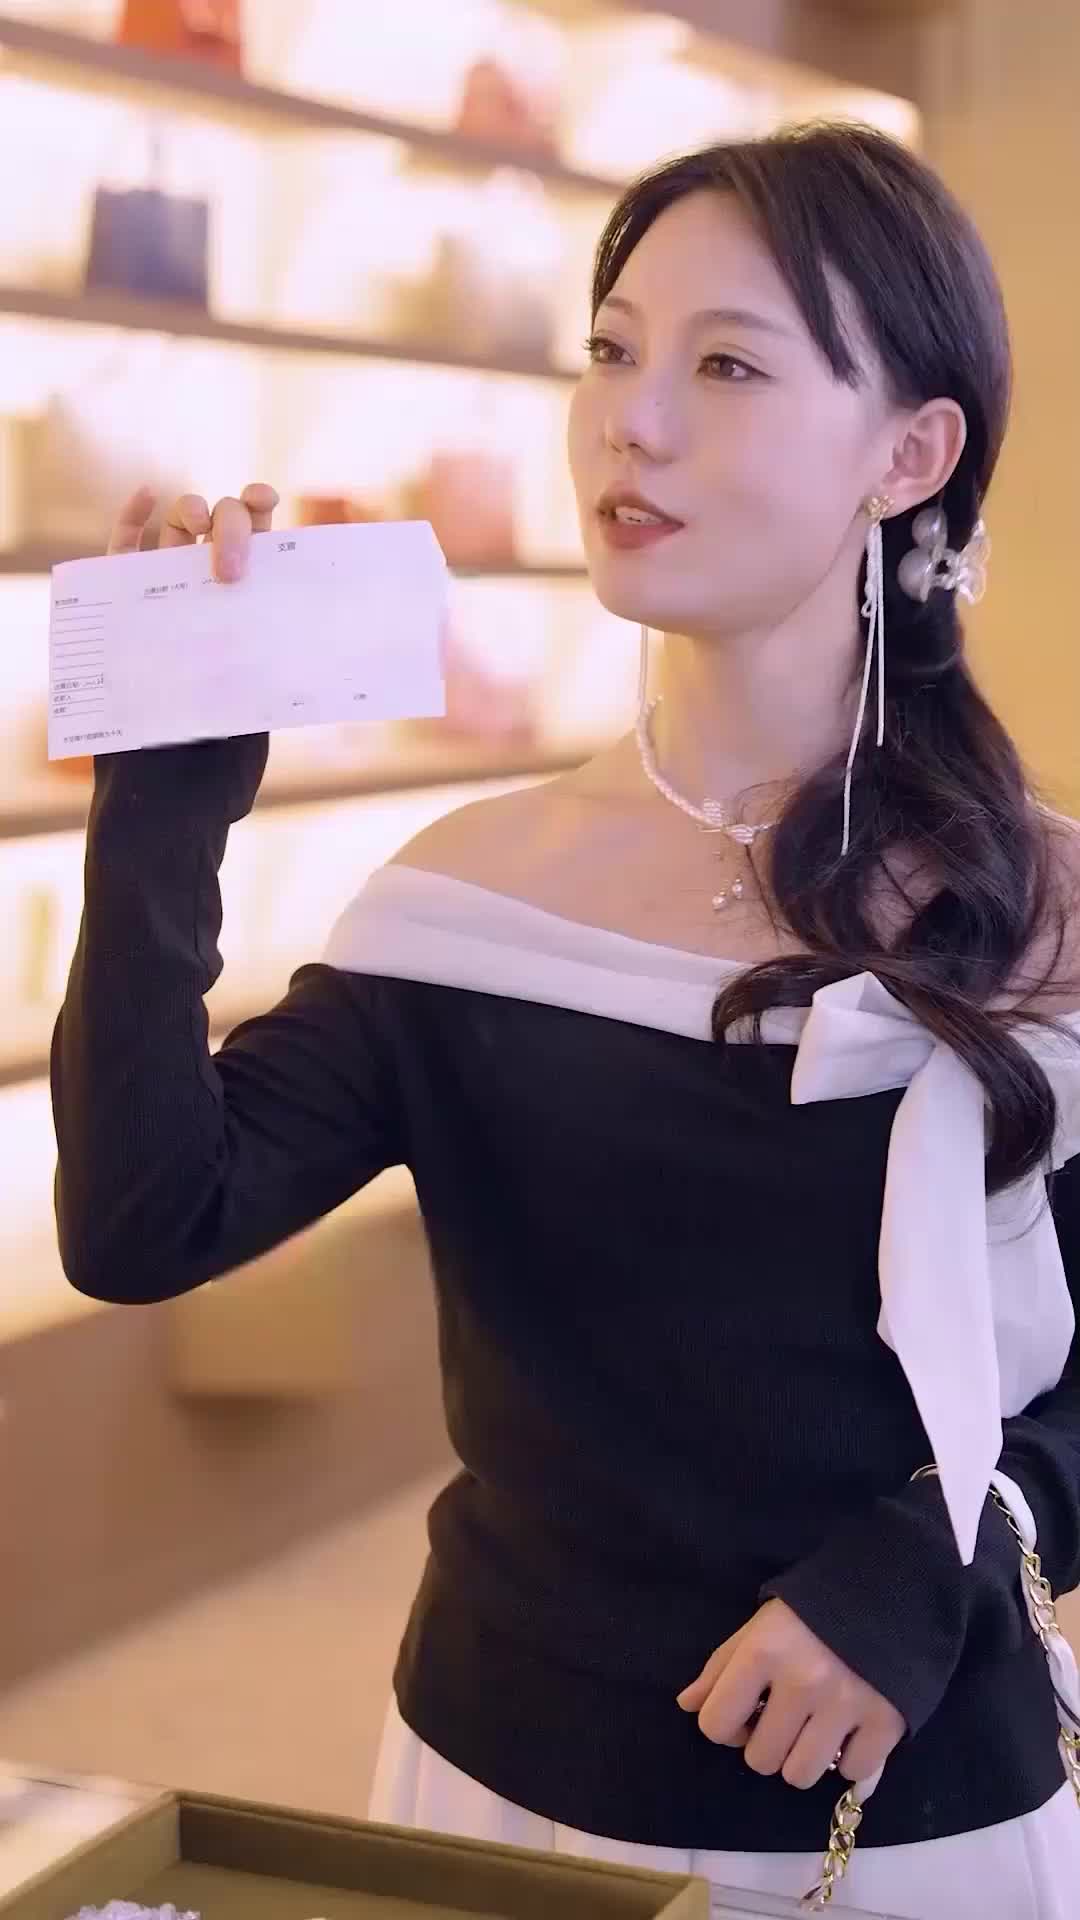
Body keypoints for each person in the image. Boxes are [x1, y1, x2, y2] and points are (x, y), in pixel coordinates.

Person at [52, 123, 1080, 1917]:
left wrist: (933, 1562)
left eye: (728, 366)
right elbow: (144, 1222)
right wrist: (165, 807)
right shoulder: (473, 897)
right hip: (498, 1786)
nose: (632, 422)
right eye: (610, 351)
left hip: (910, 1811)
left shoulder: (1044, 906)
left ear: (909, 456)